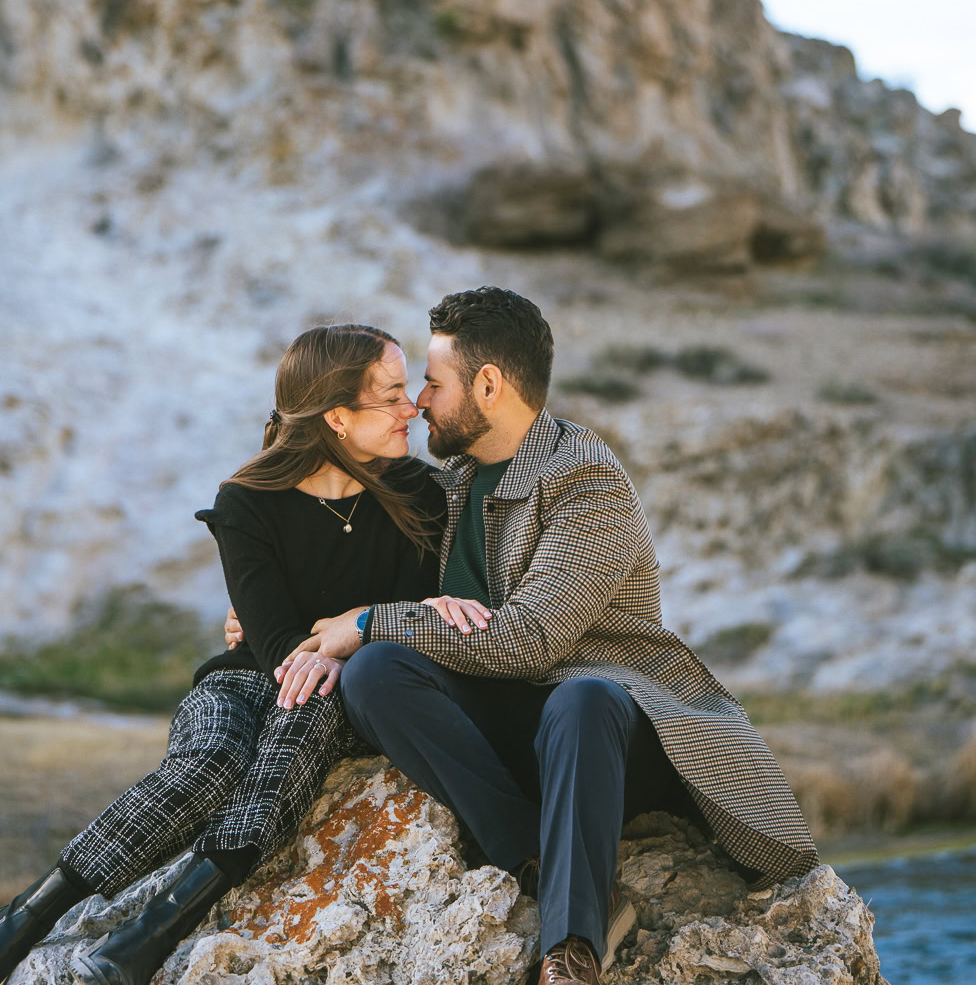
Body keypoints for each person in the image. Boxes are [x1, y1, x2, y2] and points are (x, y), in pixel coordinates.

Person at [264, 287, 819, 985]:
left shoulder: (587, 482)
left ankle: (571, 949)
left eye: (433, 383)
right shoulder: (454, 479)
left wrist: (373, 620)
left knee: (578, 698)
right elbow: (354, 561)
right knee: (376, 673)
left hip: (615, 728)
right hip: (517, 726)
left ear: (488, 386)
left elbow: (531, 643)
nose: (420, 403)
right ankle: (530, 852)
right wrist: (291, 617)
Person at [0, 323, 450, 985]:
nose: (414, 408)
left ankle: (147, 936)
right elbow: (276, 643)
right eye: (394, 395)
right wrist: (335, 633)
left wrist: (346, 636)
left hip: (339, 693)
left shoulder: (423, 497)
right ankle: (21, 920)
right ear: (338, 415)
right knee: (211, 759)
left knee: (307, 708)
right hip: (239, 684)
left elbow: (404, 613)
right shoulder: (247, 501)